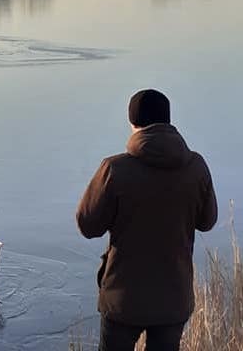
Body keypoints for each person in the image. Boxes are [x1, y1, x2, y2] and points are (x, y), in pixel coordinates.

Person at [76, 89, 218, 351]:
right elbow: (207, 221)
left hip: (123, 298)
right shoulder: (196, 167)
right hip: (173, 297)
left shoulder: (115, 169)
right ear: (168, 121)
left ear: (133, 124)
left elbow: (87, 225)